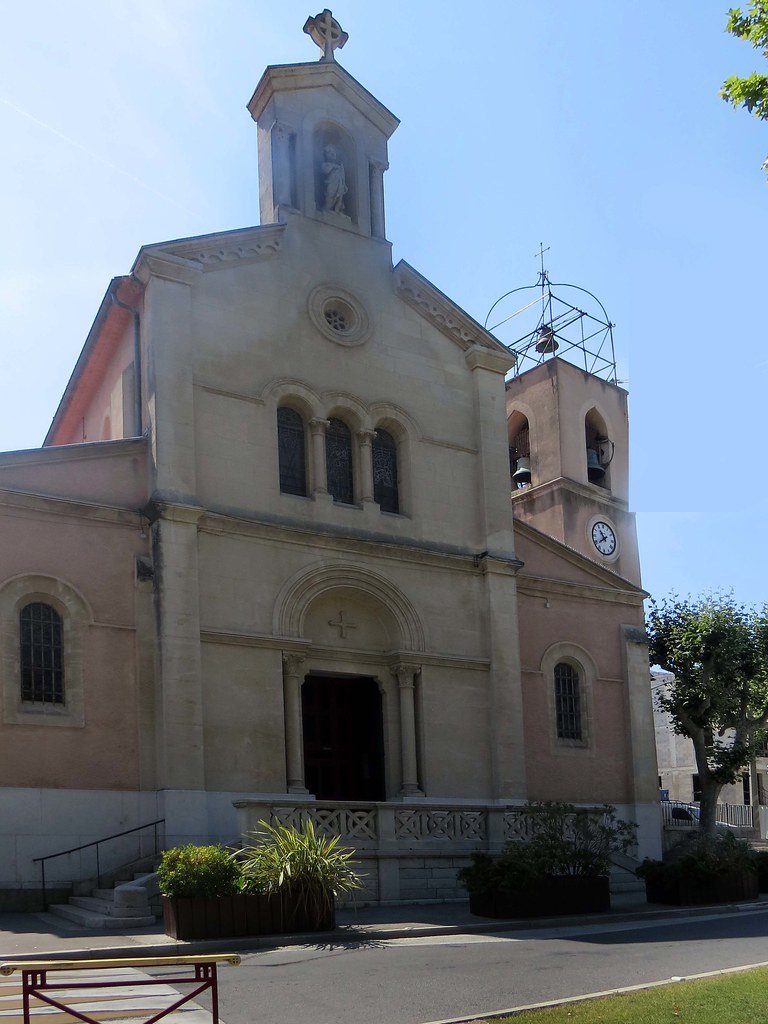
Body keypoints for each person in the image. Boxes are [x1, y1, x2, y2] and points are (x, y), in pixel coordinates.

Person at [321, 145, 347, 213]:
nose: (332, 154)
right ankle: (327, 208)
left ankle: (337, 210)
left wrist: (344, 185)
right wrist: (333, 167)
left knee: (339, 197)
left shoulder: (339, 166)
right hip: (331, 183)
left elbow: (342, 177)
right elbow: (325, 171)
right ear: (326, 155)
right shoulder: (325, 164)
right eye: (330, 152)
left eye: (334, 152)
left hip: (339, 185)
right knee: (330, 194)